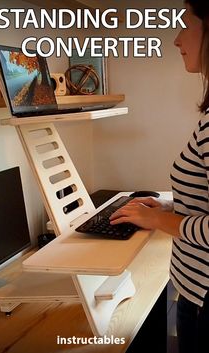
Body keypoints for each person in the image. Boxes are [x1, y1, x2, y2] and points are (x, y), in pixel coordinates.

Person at [110, 1, 209, 353]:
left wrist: (157, 218)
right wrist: (166, 205)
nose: (176, 39)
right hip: (193, 292)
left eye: (185, 25)